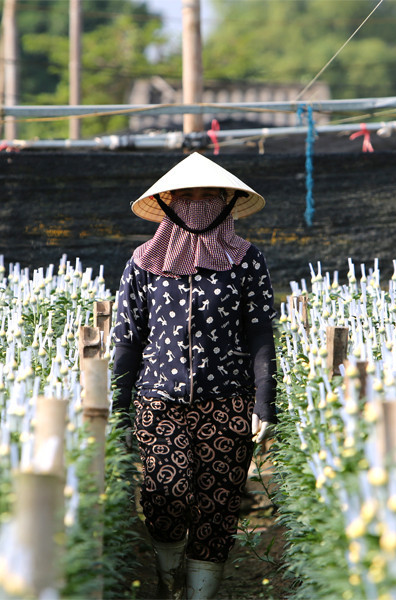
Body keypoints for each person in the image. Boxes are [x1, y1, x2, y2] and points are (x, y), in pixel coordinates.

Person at [110, 152, 278, 599]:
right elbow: (127, 340)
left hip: (228, 402)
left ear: (227, 201)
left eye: (209, 195)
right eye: (187, 195)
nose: (198, 203)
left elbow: (261, 333)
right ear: (168, 202)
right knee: (166, 496)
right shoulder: (144, 264)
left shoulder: (247, 261)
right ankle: (168, 583)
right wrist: (118, 408)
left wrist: (265, 402)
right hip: (158, 399)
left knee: (217, 508)